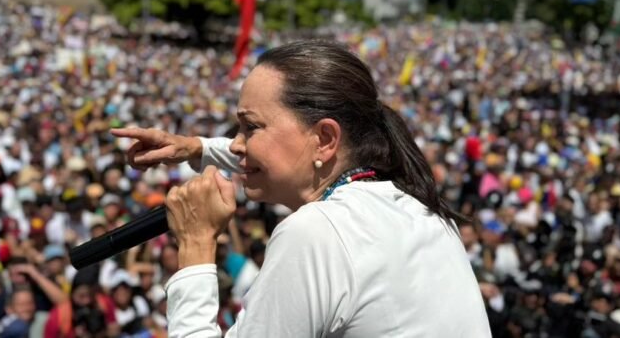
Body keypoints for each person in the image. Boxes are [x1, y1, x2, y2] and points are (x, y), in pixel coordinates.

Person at [112, 40, 491, 337]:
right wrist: (197, 147)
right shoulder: (421, 208)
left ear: (325, 138)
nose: (237, 144)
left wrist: (195, 247)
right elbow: (285, 158)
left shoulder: (318, 232)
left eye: (250, 127)